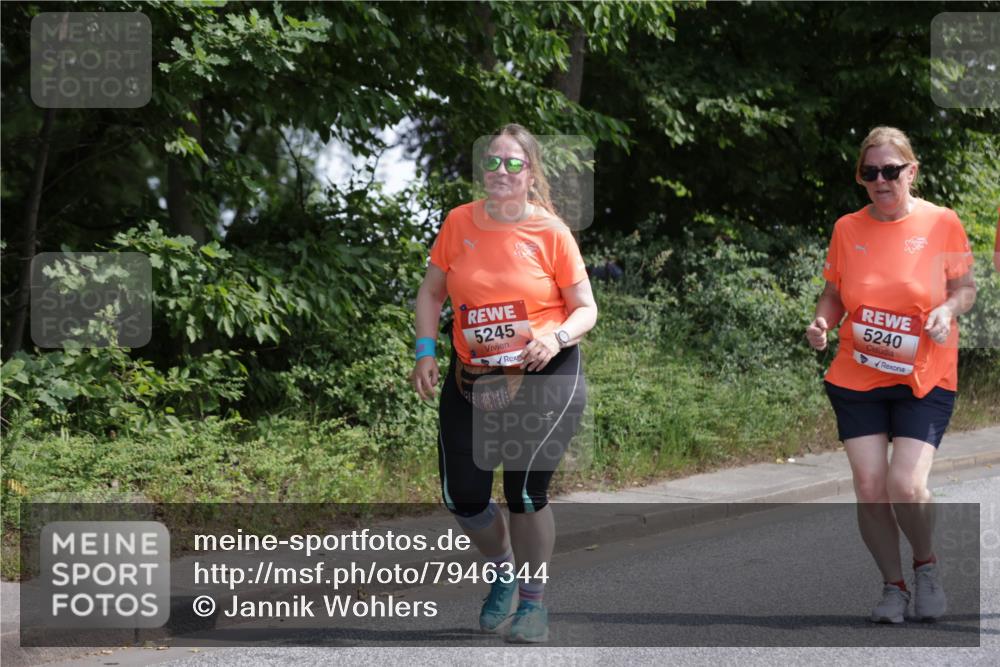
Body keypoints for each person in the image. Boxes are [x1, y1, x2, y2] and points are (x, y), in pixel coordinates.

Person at [411, 124, 597, 642]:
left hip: (544, 370)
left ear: (531, 173)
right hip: (473, 374)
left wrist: (556, 337)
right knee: (463, 495)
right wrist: (426, 352)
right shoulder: (458, 223)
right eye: (492, 161)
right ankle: (503, 572)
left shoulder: (551, 233)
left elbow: (586, 310)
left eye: (513, 163)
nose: (501, 171)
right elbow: (431, 294)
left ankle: (534, 602)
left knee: (525, 491)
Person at [806, 126, 976, 624]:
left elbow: (965, 288)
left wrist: (947, 309)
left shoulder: (942, 222)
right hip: (857, 374)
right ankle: (893, 587)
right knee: (869, 482)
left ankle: (926, 567)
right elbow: (834, 293)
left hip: (924, 373)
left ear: (912, 171)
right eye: (870, 173)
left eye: (890, 171)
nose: (881, 181)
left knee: (905, 483)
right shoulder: (847, 228)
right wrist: (822, 321)